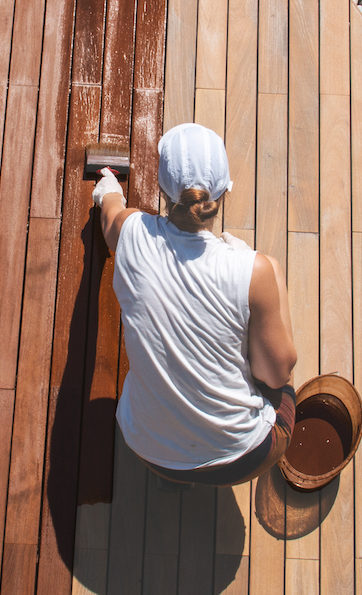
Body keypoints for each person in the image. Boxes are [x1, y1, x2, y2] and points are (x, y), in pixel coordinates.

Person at [90, 123, 298, 487]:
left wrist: (108, 188)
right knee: (278, 357)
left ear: (163, 191)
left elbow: (110, 215)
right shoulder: (253, 270)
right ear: (224, 191)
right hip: (243, 457)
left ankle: (176, 470)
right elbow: (277, 375)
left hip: (150, 450)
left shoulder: (131, 233)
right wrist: (261, 271)